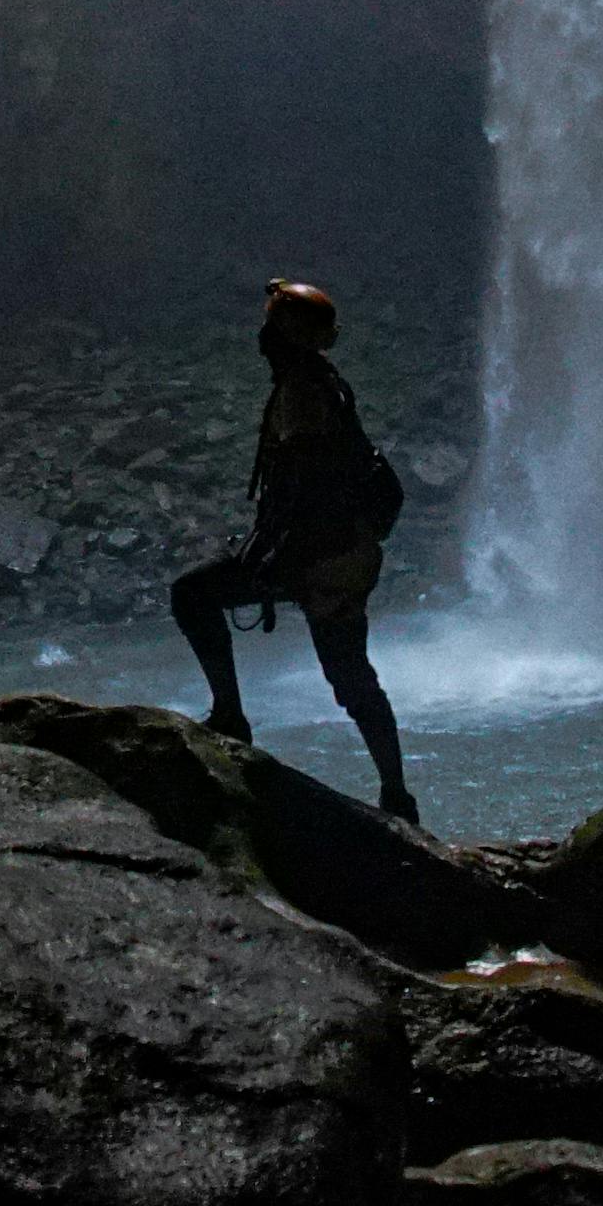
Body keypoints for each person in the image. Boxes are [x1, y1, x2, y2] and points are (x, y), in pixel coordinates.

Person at [171, 277, 417, 827]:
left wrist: (271, 555)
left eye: (272, 325)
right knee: (352, 676)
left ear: (289, 336)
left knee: (192, 594)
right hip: (340, 553)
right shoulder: (321, 383)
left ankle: (231, 718)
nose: (263, 336)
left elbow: (305, 485)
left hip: (320, 555)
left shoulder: (304, 391)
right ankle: (397, 794)